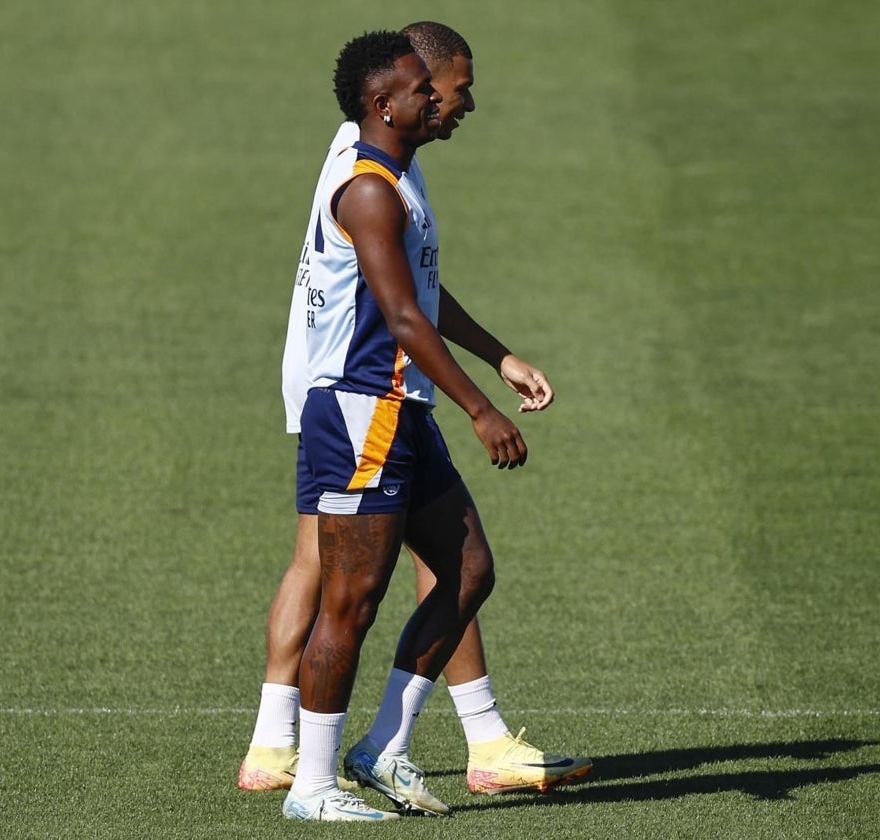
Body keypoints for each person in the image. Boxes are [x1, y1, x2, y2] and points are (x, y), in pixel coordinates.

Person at [239, 21, 591, 817]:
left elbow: (422, 290)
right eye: (423, 88)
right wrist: (482, 409)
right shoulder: (367, 188)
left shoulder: (399, 177)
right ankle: (316, 785)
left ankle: (382, 746)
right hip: (362, 414)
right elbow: (402, 318)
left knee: (468, 569)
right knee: (350, 602)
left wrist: (498, 355)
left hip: (402, 414)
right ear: (382, 102)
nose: (438, 98)